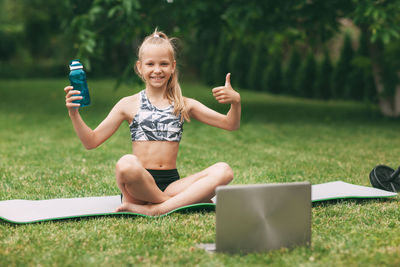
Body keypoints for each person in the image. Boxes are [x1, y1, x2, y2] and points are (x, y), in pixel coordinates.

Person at [64, 30, 241, 216]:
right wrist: (74, 114)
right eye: (150, 64)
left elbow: (230, 124)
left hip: (172, 185)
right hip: (138, 186)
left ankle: (157, 209)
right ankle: (179, 203)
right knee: (126, 163)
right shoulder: (128, 104)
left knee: (224, 171)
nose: (157, 70)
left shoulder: (184, 104)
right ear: (140, 67)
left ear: (172, 67)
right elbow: (91, 141)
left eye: (163, 64)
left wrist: (235, 103)